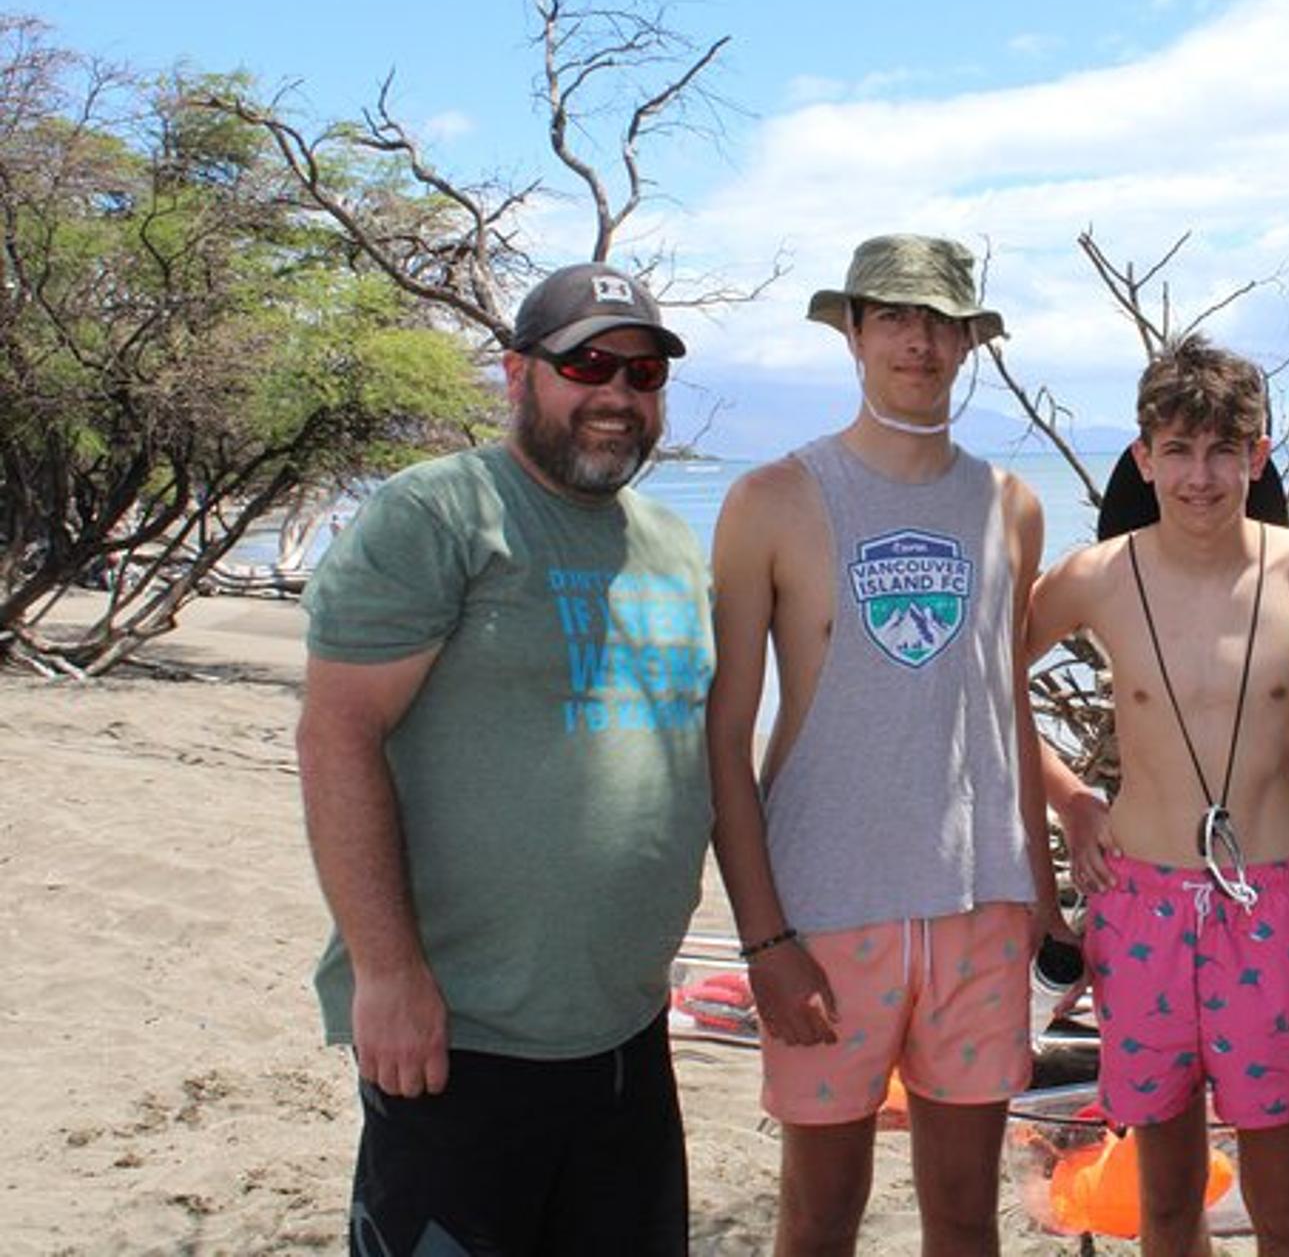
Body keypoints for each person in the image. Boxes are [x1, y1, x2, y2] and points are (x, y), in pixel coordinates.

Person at [297, 262, 714, 1255]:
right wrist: (386, 976)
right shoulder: (438, 515)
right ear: (518, 373)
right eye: (588, 365)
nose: (616, 394)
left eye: (643, 374)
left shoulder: (669, 544)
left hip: (626, 1029)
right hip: (461, 1036)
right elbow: (335, 735)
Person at [706, 234, 1057, 1256]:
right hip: (826, 911)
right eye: (894, 317)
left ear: (968, 343)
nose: (918, 341)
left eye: (940, 321)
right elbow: (724, 735)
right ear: (851, 332)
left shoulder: (1010, 506)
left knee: (961, 1210)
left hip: (978, 908)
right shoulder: (770, 499)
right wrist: (765, 941)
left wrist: (1041, 890)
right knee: (819, 1211)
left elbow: (1005, 708)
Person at [1026, 338, 1289, 1256]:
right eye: (1177, 451)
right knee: (1166, 1199)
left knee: (1282, 1203)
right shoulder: (1097, 576)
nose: (1201, 476)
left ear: (1259, 455)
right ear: (1144, 458)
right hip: (1138, 901)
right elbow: (977, 684)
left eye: (1225, 450)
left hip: (1273, 900)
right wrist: (1067, 796)